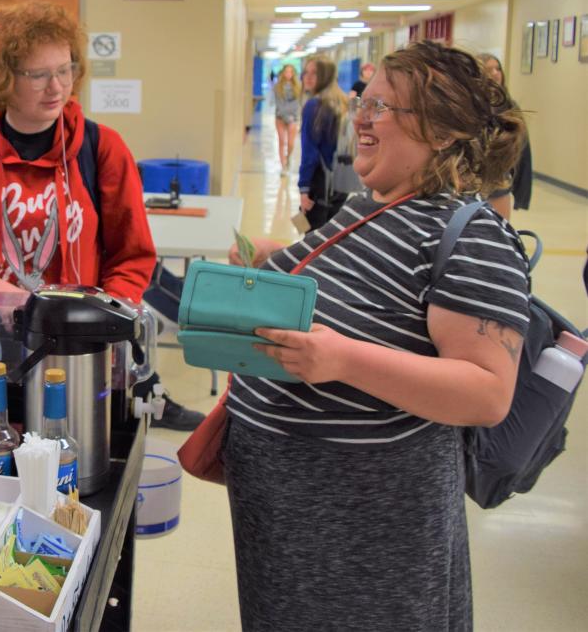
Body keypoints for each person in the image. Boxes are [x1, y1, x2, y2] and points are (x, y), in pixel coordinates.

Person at [225, 39, 529, 631]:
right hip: (291, 523)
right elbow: (339, 285)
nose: (361, 116)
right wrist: (264, 259)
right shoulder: (371, 205)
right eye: (366, 99)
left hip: (367, 540)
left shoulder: (472, 236)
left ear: (442, 133)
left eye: (386, 108)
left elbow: (488, 392)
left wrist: (341, 360)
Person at [0, 1, 204, 430]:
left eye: (65, 69)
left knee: (80, 458)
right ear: (2, 78)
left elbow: (133, 256)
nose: (58, 86)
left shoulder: (102, 148)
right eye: (38, 75)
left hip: (84, 346)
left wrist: (107, 324)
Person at [296, 57, 350, 231]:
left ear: (326, 76)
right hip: (342, 182)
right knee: (331, 236)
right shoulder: (343, 103)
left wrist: (304, 188)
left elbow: (309, 153)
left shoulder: (314, 106)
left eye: (315, 73)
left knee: (312, 239)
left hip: (320, 182)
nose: (308, 77)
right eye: (306, 72)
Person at [480, 53, 533, 219]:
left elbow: (522, 149)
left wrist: (521, 191)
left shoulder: (509, 106)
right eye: (489, 70)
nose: (495, 73)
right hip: (470, 181)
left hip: (498, 181)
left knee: (499, 229)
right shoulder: (468, 105)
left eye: (498, 69)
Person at [271, 63, 301, 174]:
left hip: (293, 117)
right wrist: (283, 113)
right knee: (281, 141)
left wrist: (291, 115)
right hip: (280, 117)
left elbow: (297, 103)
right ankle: (283, 166)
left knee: (290, 143)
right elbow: (278, 103)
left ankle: (288, 158)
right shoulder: (277, 87)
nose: (288, 74)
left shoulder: (298, 87)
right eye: (286, 71)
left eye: (290, 72)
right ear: (283, 73)